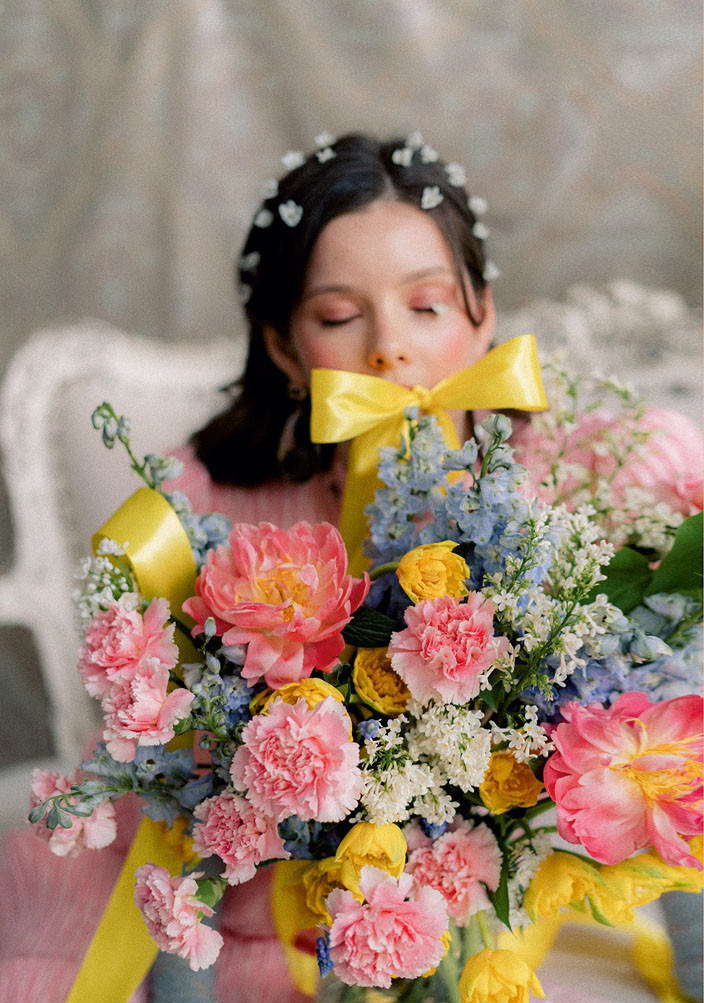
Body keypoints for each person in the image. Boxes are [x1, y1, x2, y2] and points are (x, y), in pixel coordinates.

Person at [0, 132, 700, 1003]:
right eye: (338, 317)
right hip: (267, 910)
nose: (388, 348)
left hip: (495, 912)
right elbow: (166, 768)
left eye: (427, 305)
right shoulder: (203, 501)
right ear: (285, 346)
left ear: (482, 314)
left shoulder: (580, 468)